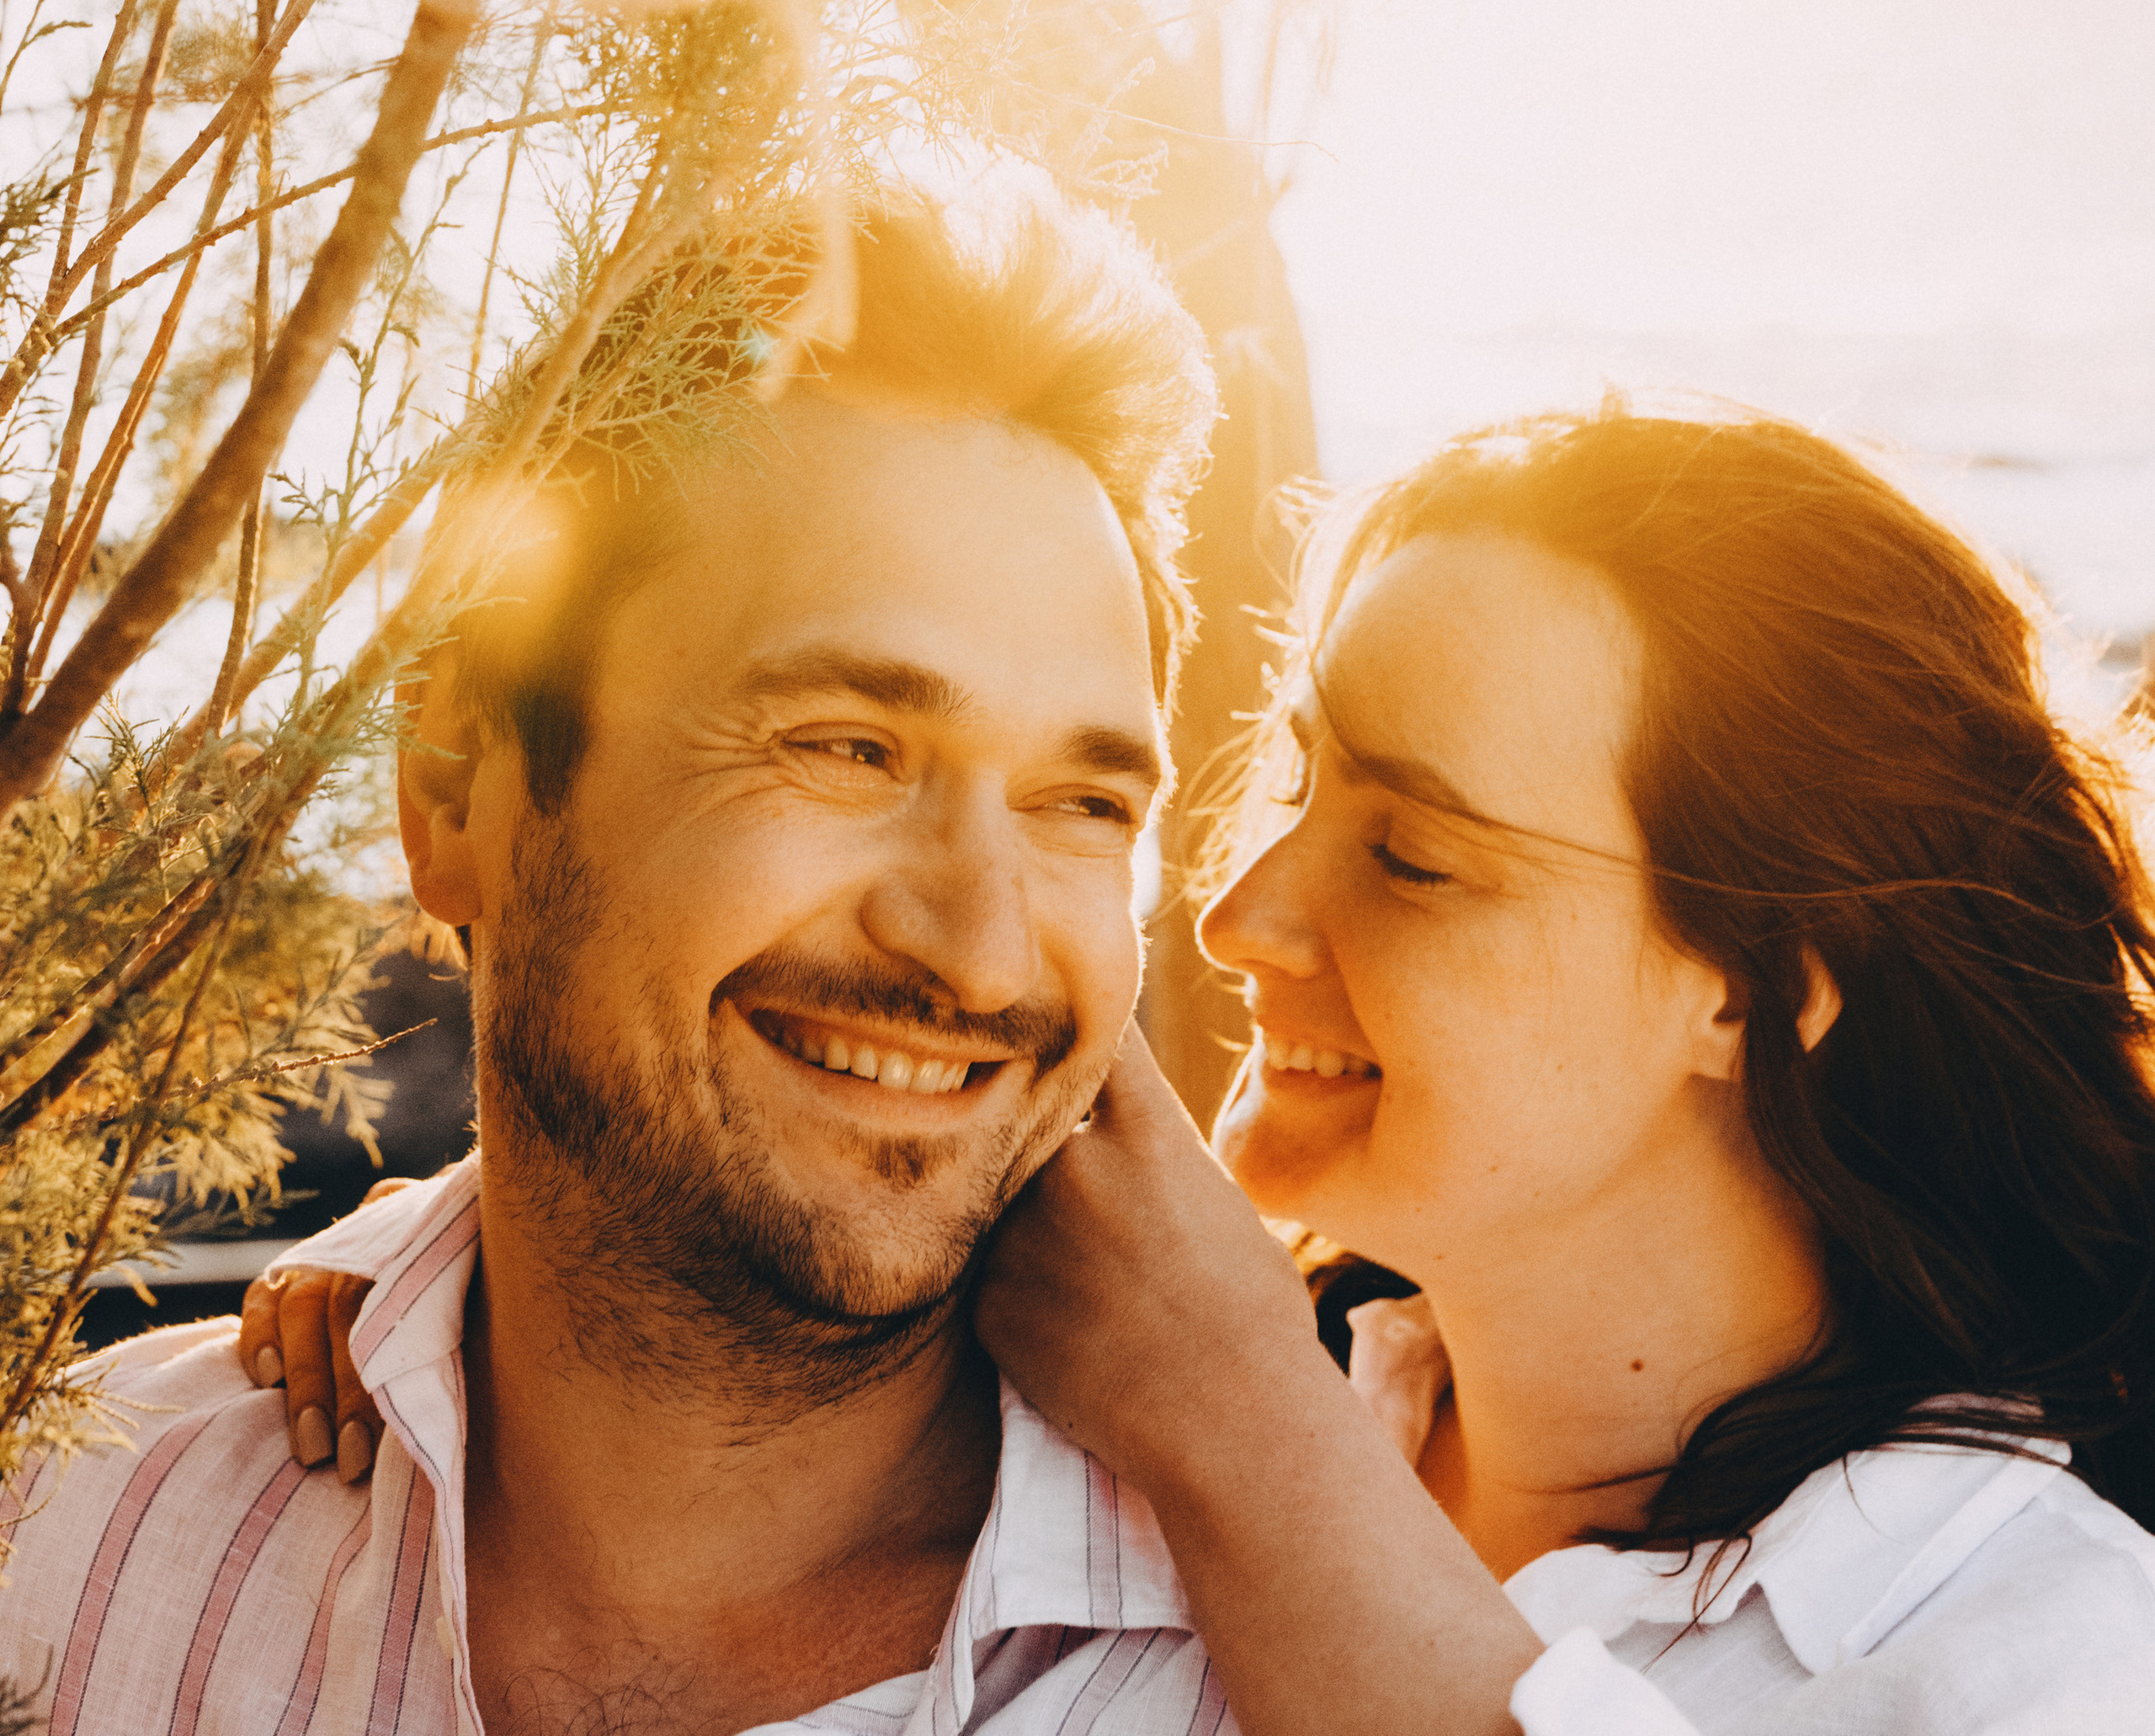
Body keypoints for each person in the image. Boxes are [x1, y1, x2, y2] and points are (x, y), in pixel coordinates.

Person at [271, 408, 2155, 1732]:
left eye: (1412, 856)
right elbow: (742, 1170)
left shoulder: (2044, 1658)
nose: (1243, 917)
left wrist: (1244, 1427)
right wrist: (425, 1287)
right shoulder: (1127, 1407)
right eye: (1285, 786)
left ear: (1759, 987)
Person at [0, 178, 1237, 1736]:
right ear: (456, 789)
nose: (982, 951)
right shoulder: (56, 1552)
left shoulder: (1290, 1676)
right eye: (848, 748)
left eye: (1080, 804)